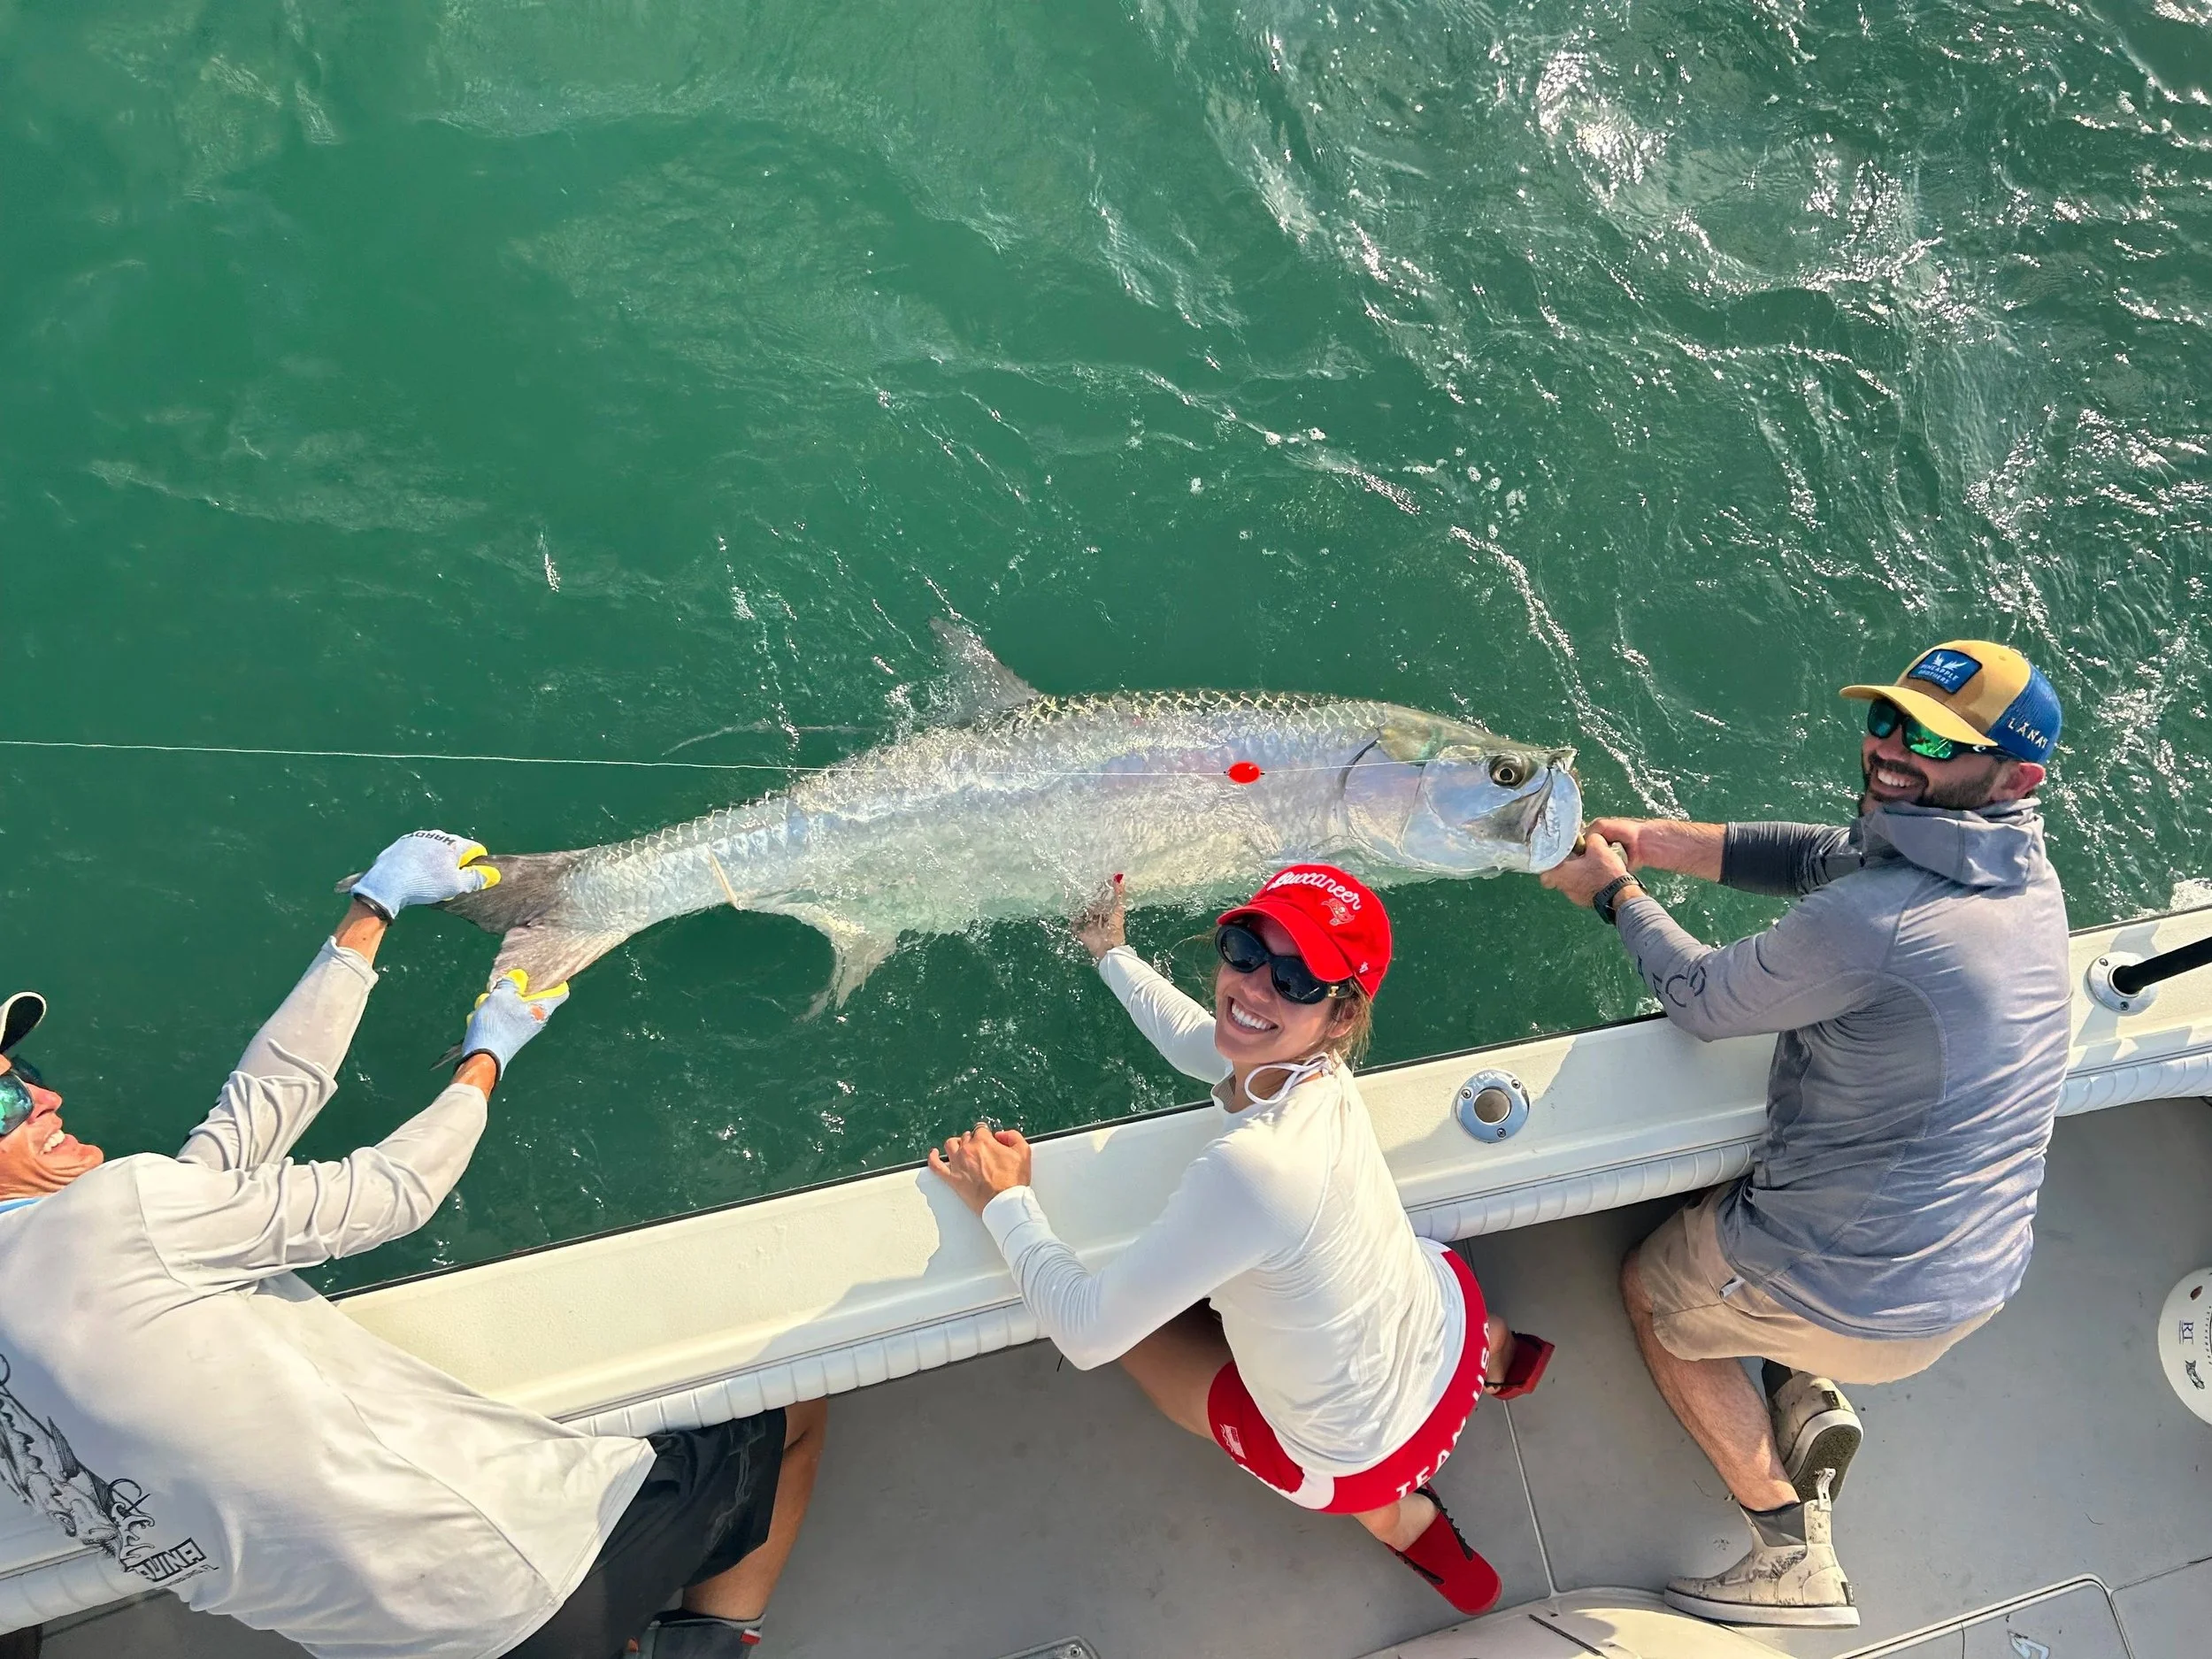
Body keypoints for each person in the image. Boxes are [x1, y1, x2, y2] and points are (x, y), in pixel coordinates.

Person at [0, 831, 825, 1659]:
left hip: (383, 1652)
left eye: (21, 1069)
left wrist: (371, 911)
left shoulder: (94, 1242)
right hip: (522, 1583)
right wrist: (489, 1053)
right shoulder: (111, 1215)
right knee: (790, 1402)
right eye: (5, 1098)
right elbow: (397, 1192)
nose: (44, 1094)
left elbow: (253, 1113)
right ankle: (705, 1649)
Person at [1540, 641, 2070, 1629]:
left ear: (2016, 773)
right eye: (1886, 718)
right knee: (1747, 1208)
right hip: (1979, 1270)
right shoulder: (2012, 866)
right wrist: (1657, 840)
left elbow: (1701, 998)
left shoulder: (1880, 922)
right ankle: (1804, 1387)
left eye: (1934, 740)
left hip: (1873, 1300)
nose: (1891, 750)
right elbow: (1814, 855)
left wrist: (1615, 893)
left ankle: (1785, 1547)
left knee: (1654, 1292)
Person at [929, 864, 1554, 1615]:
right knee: (1414, 1260)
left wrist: (1006, 1201)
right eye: (1245, 949)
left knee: (1131, 1327)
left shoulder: (1253, 1166)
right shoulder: (1320, 1070)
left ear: (1341, 1014)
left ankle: (1405, 1522)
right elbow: (1205, 1037)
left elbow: (1086, 1331)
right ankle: (1502, 1353)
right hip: (1453, 1335)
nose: (1256, 986)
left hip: (1362, 1459)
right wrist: (1108, 950)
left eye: (1296, 979)